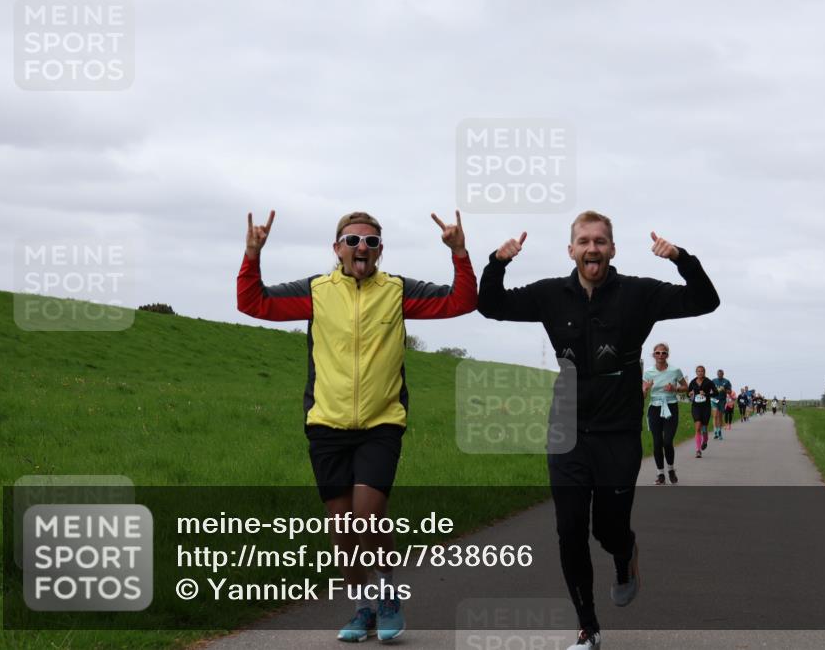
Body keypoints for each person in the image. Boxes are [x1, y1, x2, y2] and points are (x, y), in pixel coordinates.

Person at [478, 211, 719, 650]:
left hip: (618, 434)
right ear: (571, 250)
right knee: (569, 529)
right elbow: (491, 306)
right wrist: (497, 263)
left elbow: (706, 301)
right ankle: (588, 627)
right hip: (566, 431)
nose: (592, 248)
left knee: (607, 532)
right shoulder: (551, 294)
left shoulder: (639, 294)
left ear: (612, 249)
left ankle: (625, 555)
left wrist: (681, 258)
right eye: (584, 241)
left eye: (601, 242)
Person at [237, 209, 477, 643]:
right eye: (352, 241)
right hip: (326, 424)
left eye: (370, 241)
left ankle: (387, 599)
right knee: (344, 532)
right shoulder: (316, 291)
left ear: (380, 249)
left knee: (367, 519)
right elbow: (253, 303)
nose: (361, 248)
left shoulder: (399, 292)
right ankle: (363, 608)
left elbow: (460, 301)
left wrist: (459, 251)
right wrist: (253, 253)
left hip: (381, 422)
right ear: (337, 249)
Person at [642, 342, 687, 485]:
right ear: (653, 355)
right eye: (658, 353)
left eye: (664, 353)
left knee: (667, 441)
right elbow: (642, 395)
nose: (661, 355)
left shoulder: (675, 370)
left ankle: (671, 469)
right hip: (654, 408)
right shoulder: (648, 372)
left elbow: (685, 387)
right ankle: (660, 474)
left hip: (670, 407)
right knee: (657, 443)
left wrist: (675, 388)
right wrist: (646, 389)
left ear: (667, 355)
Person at [688, 366, 717, 457]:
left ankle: (705, 440)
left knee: (704, 427)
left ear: (704, 372)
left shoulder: (709, 382)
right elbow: (688, 393)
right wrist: (690, 394)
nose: (700, 373)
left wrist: (706, 394)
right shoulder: (693, 382)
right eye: (698, 371)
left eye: (702, 371)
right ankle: (698, 450)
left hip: (706, 407)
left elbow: (716, 393)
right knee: (697, 427)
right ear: (696, 372)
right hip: (696, 407)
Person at [711, 369, 732, 440]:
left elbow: (729, 392)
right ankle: (715, 431)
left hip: (722, 400)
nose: (719, 375)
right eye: (718, 374)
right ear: (717, 374)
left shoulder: (726, 381)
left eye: (721, 374)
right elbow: (708, 389)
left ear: (723, 374)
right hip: (714, 400)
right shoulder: (713, 381)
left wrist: (724, 390)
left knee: (720, 416)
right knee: (715, 415)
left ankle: (719, 431)